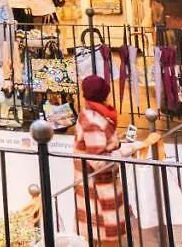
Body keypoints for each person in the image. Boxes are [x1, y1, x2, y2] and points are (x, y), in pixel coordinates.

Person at [74, 75, 126, 247]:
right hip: (98, 189)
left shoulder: (96, 113)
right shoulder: (93, 121)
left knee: (98, 234)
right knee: (103, 235)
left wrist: (116, 142)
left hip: (98, 186)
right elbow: (99, 162)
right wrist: (123, 152)